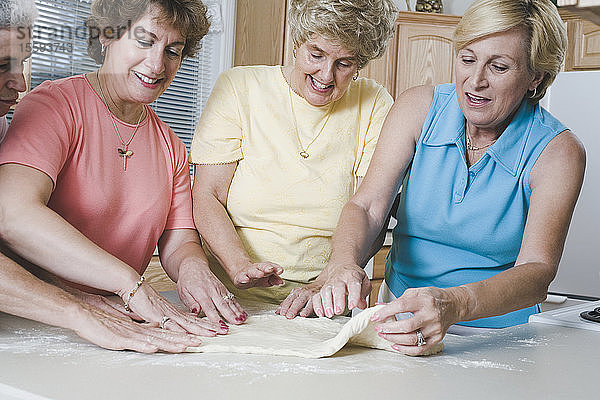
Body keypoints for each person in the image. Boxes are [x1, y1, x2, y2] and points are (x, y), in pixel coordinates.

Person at [314, 0, 586, 355]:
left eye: (499, 67)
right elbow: (367, 206)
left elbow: (537, 271)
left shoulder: (558, 152)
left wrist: (455, 304)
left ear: (535, 76)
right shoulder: (417, 108)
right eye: (467, 58)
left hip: (501, 339)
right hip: (399, 317)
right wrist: (341, 264)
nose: (475, 81)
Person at [0, 0, 242, 338]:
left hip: (125, 319)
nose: (157, 64)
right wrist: (129, 283)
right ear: (107, 36)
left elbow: (179, 238)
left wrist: (193, 269)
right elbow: (12, 213)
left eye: (173, 51)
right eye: (144, 41)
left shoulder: (170, 145)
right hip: (39, 317)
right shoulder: (53, 106)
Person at [191, 0, 398, 318]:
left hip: (325, 300)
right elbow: (207, 196)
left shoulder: (375, 104)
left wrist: (328, 281)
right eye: (316, 55)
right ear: (297, 41)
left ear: (361, 63)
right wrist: (240, 266)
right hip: (230, 297)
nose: (326, 75)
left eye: (344, 63)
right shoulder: (239, 88)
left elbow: (371, 212)